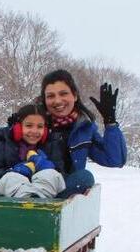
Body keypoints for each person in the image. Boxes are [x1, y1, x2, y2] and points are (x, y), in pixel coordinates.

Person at [40, 69, 127, 197]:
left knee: (84, 178)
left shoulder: (84, 129)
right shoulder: (33, 124)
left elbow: (114, 160)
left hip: (64, 191)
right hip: (35, 187)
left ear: (74, 95)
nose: (57, 101)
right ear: (44, 100)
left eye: (63, 93)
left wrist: (110, 123)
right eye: (51, 96)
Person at [0, 104, 65, 198]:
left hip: (43, 187)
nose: (34, 131)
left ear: (45, 130)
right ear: (18, 127)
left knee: (52, 176)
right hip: (9, 189)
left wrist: (45, 166)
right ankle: (24, 199)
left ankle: (35, 199)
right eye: (29, 125)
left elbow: (59, 172)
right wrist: (14, 172)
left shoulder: (51, 143)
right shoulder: (3, 141)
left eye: (39, 127)